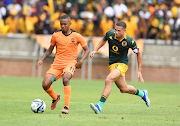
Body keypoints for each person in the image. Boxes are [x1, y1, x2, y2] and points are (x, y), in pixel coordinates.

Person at [89, 21, 150, 114]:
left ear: (124, 31)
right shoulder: (110, 34)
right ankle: (142, 94)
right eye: (115, 30)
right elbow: (103, 39)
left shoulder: (130, 41)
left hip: (122, 64)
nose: (116, 32)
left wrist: (139, 70)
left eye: (119, 31)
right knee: (124, 89)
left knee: (109, 79)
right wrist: (95, 50)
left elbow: (139, 53)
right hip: (112, 64)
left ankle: (99, 106)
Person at [36, 15, 90, 114]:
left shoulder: (77, 36)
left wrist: (81, 61)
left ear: (70, 23)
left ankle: (66, 107)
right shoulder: (56, 35)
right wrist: (42, 59)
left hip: (70, 63)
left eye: (65, 24)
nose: (62, 26)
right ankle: (55, 98)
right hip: (57, 64)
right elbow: (50, 49)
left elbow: (87, 50)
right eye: (61, 24)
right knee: (45, 84)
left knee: (66, 79)